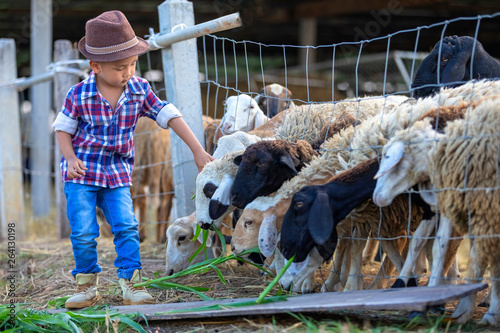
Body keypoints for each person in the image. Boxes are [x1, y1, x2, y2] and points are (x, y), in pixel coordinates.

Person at [52, 10, 214, 309]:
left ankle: (131, 284)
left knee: (126, 225)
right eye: (119, 67)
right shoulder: (79, 94)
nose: (127, 72)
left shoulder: (139, 89)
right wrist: (70, 157)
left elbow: (169, 114)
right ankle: (87, 286)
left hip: (116, 174)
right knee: (85, 230)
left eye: (132, 64)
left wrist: (197, 150)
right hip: (82, 174)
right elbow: (62, 129)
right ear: (95, 66)